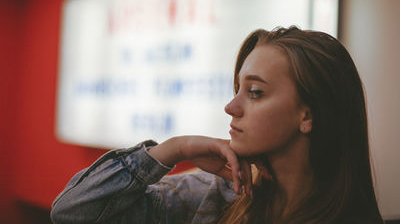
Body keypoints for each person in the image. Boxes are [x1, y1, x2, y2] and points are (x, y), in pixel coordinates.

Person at [50, 26, 384, 224]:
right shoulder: (214, 195)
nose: (231, 106)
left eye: (255, 92)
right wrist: (173, 149)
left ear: (307, 116)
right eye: (236, 89)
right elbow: (69, 212)